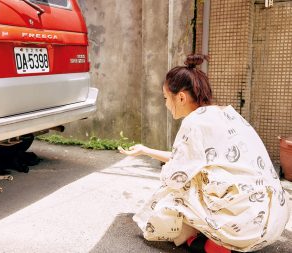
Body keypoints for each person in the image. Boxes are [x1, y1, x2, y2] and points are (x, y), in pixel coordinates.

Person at [118, 54, 290, 253]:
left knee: (177, 189)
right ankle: (217, 234)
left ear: (180, 97)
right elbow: (191, 158)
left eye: (166, 98)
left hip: (245, 230)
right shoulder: (226, 114)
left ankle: (217, 244)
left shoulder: (193, 123)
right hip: (273, 219)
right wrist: (146, 150)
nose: (166, 104)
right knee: (198, 175)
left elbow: (174, 175)